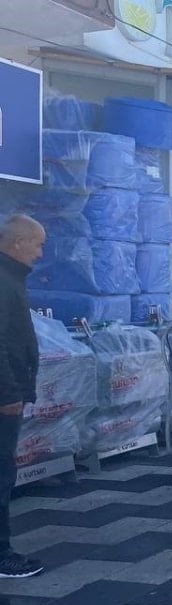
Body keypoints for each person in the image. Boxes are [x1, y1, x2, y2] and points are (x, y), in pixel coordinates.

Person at [0, 215, 46, 578]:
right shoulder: (3, 281)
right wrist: (7, 392)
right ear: (17, 243)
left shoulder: (11, 278)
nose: (40, 252)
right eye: (37, 244)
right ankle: (1, 554)